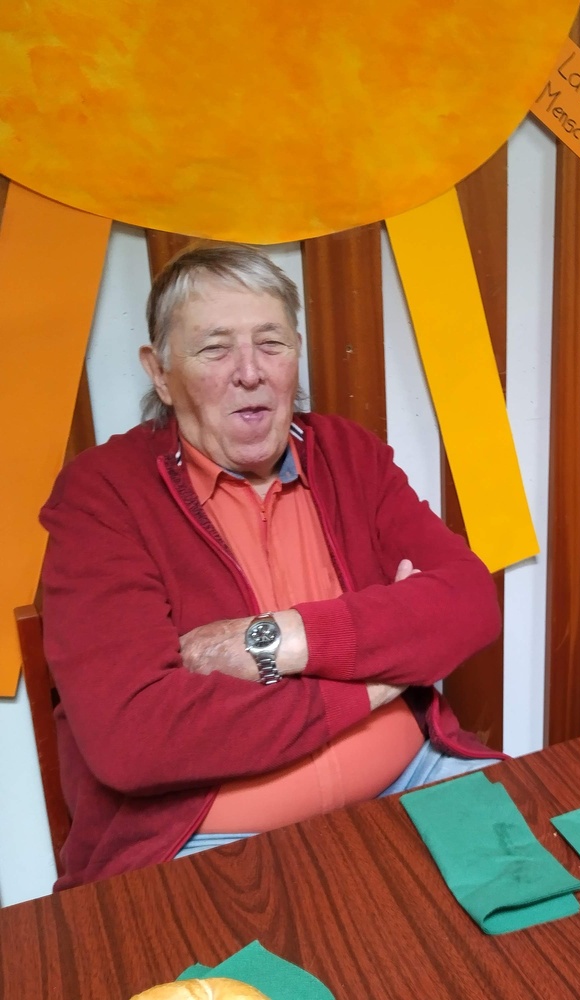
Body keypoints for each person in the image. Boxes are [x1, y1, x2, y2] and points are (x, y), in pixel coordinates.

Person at [40, 243, 503, 890]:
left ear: (296, 354)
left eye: (271, 343)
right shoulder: (103, 495)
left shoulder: (348, 453)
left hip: (416, 778)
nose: (250, 371)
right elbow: (136, 735)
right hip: (206, 840)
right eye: (214, 349)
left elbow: (469, 603)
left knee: (561, 920)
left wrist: (276, 640)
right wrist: (382, 679)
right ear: (161, 372)